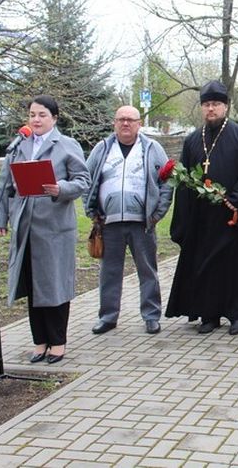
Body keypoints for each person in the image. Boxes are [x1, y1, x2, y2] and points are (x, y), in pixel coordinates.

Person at [165, 80, 238, 335]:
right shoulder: (192, 141)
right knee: (205, 268)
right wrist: (186, 217)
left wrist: (236, 199)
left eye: (216, 104)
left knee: (234, 268)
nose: (211, 109)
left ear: (225, 107)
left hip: (231, 217)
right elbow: (186, 180)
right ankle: (209, 315)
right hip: (202, 219)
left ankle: (237, 315)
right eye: (207, 105)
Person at [0, 95, 90, 364]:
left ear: (54, 118)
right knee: (33, 285)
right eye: (33, 114)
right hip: (25, 227)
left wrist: (61, 189)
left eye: (42, 115)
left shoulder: (66, 145)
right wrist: (1, 219)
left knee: (54, 285)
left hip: (55, 228)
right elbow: (5, 187)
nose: (36, 119)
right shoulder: (19, 147)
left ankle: (58, 343)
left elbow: (83, 180)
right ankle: (40, 342)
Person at [84, 106, 173, 336]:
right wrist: (92, 210)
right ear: (114, 123)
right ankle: (108, 317)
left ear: (139, 123)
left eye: (130, 120)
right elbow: (86, 179)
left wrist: (157, 214)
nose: (125, 124)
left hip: (142, 223)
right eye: (121, 119)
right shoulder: (102, 149)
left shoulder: (153, 149)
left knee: (147, 271)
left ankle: (151, 316)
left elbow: (167, 182)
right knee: (109, 272)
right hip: (109, 222)